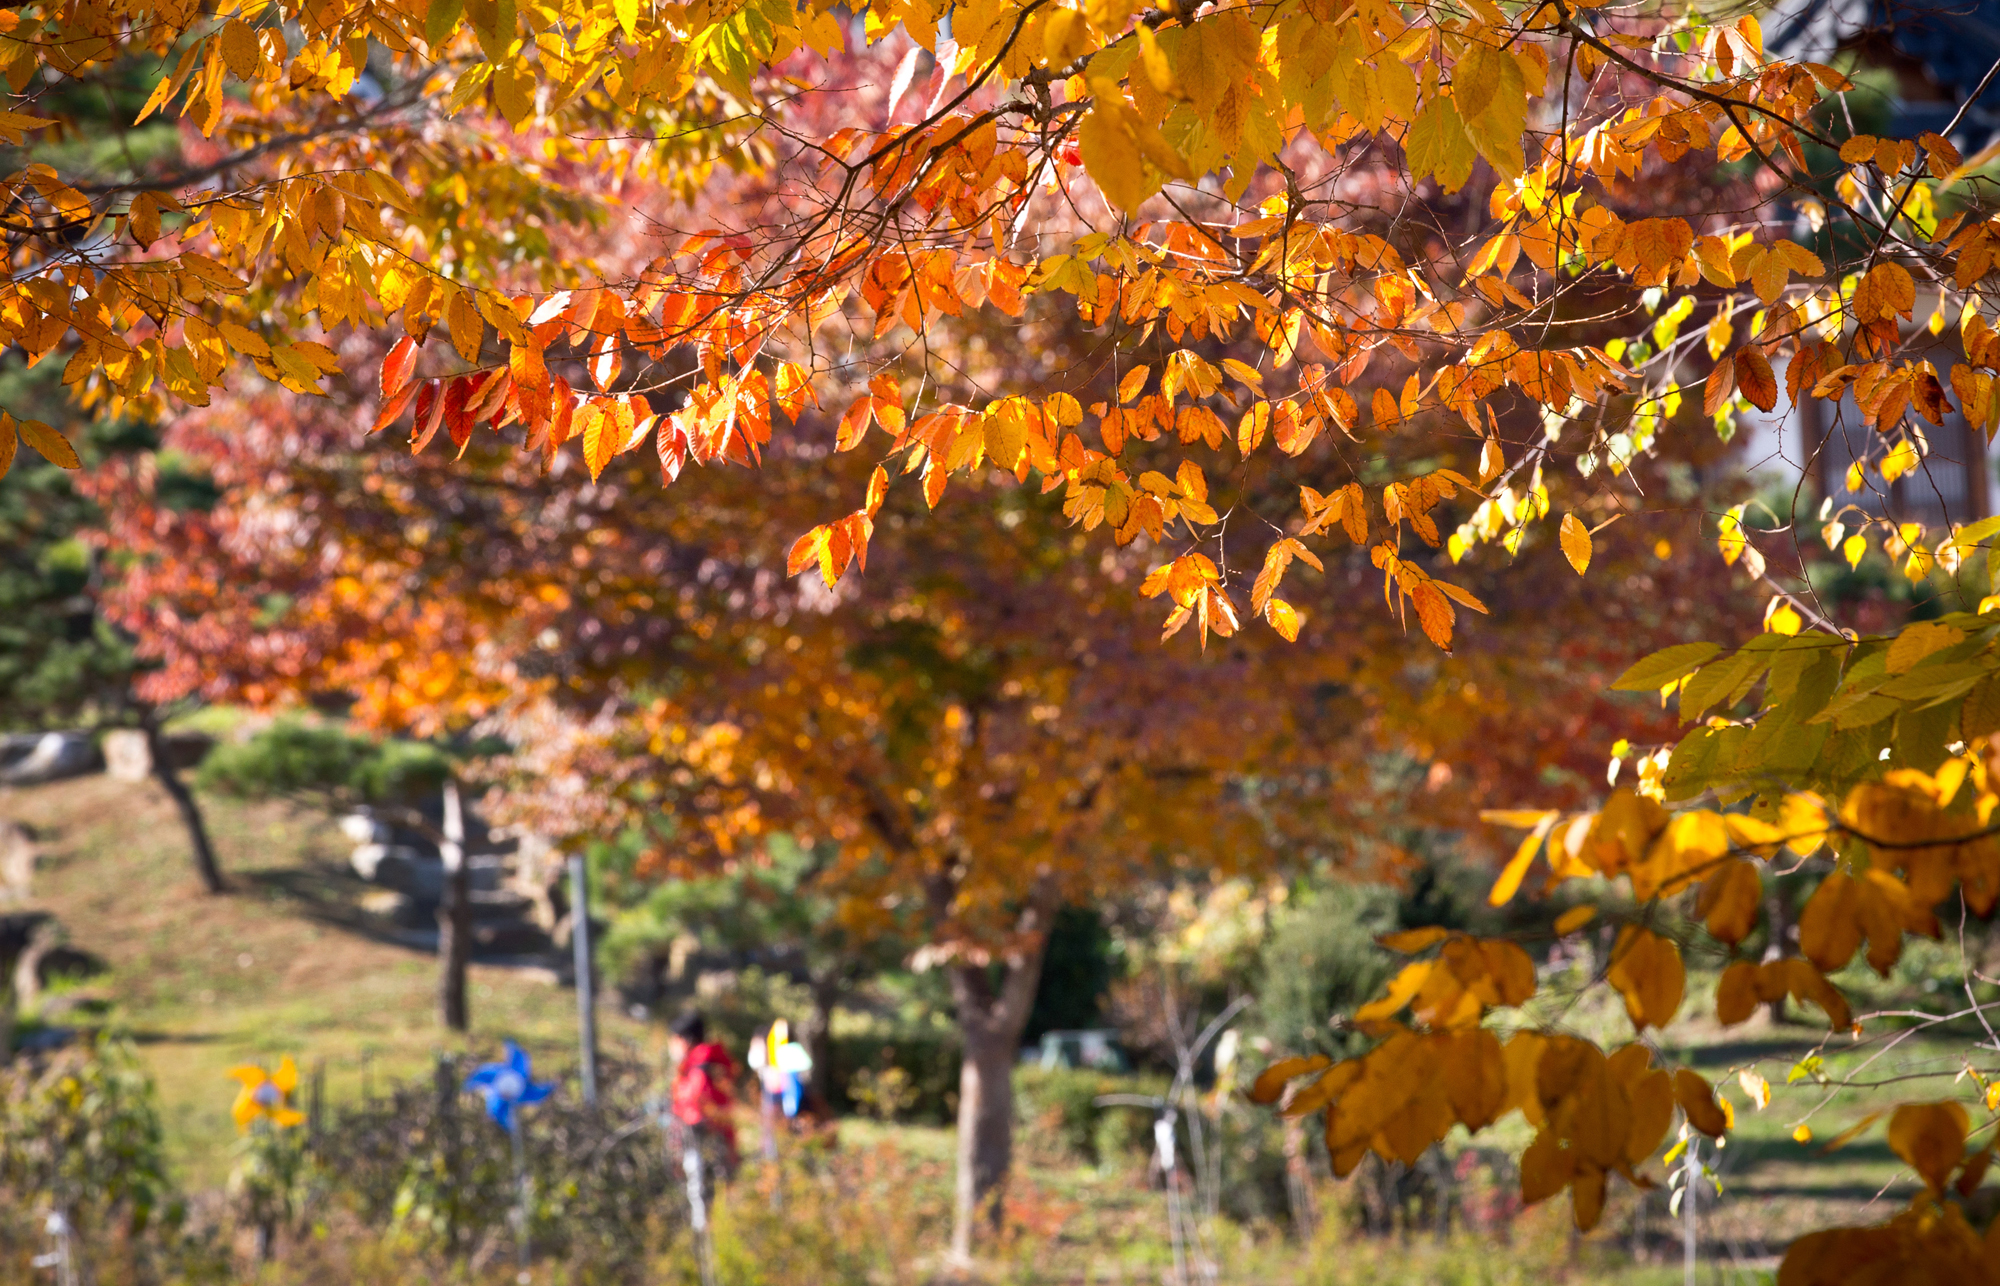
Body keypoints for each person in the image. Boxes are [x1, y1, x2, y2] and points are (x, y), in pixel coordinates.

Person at [668, 1011, 739, 1177]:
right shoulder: (708, 1060)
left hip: (702, 1134)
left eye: (674, 1040)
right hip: (720, 1136)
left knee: (703, 1182)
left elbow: (697, 1103)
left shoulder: (700, 1064)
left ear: (685, 1040)